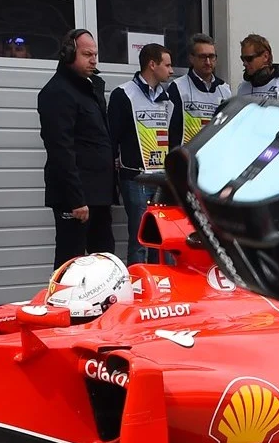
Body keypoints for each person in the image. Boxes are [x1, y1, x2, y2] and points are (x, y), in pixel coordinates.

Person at [37, 29, 117, 269]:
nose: (93, 59)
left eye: (95, 54)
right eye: (87, 54)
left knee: (103, 260)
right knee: (70, 261)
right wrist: (76, 200)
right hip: (77, 199)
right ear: (69, 54)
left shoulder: (89, 89)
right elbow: (60, 149)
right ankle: (61, 304)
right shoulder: (57, 92)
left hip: (98, 195)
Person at [107, 42, 183, 264]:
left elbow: (173, 136)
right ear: (152, 64)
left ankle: (165, 289)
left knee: (165, 238)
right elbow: (113, 138)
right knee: (140, 239)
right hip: (136, 177)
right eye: (167, 65)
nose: (171, 71)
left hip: (161, 179)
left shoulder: (168, 97)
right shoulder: (124, 94)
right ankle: (137, 289)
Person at [177, 33, 232, 142]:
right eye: (202, 57)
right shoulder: (178, 87)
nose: (208, 62)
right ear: (191, 58)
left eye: (211, 56)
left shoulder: (225, 89)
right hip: (188, 155)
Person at [238, 34, 279, 102]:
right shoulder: (242, 88)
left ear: (265, 56)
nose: (244, 63)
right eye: (243, 59)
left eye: (249, 58)